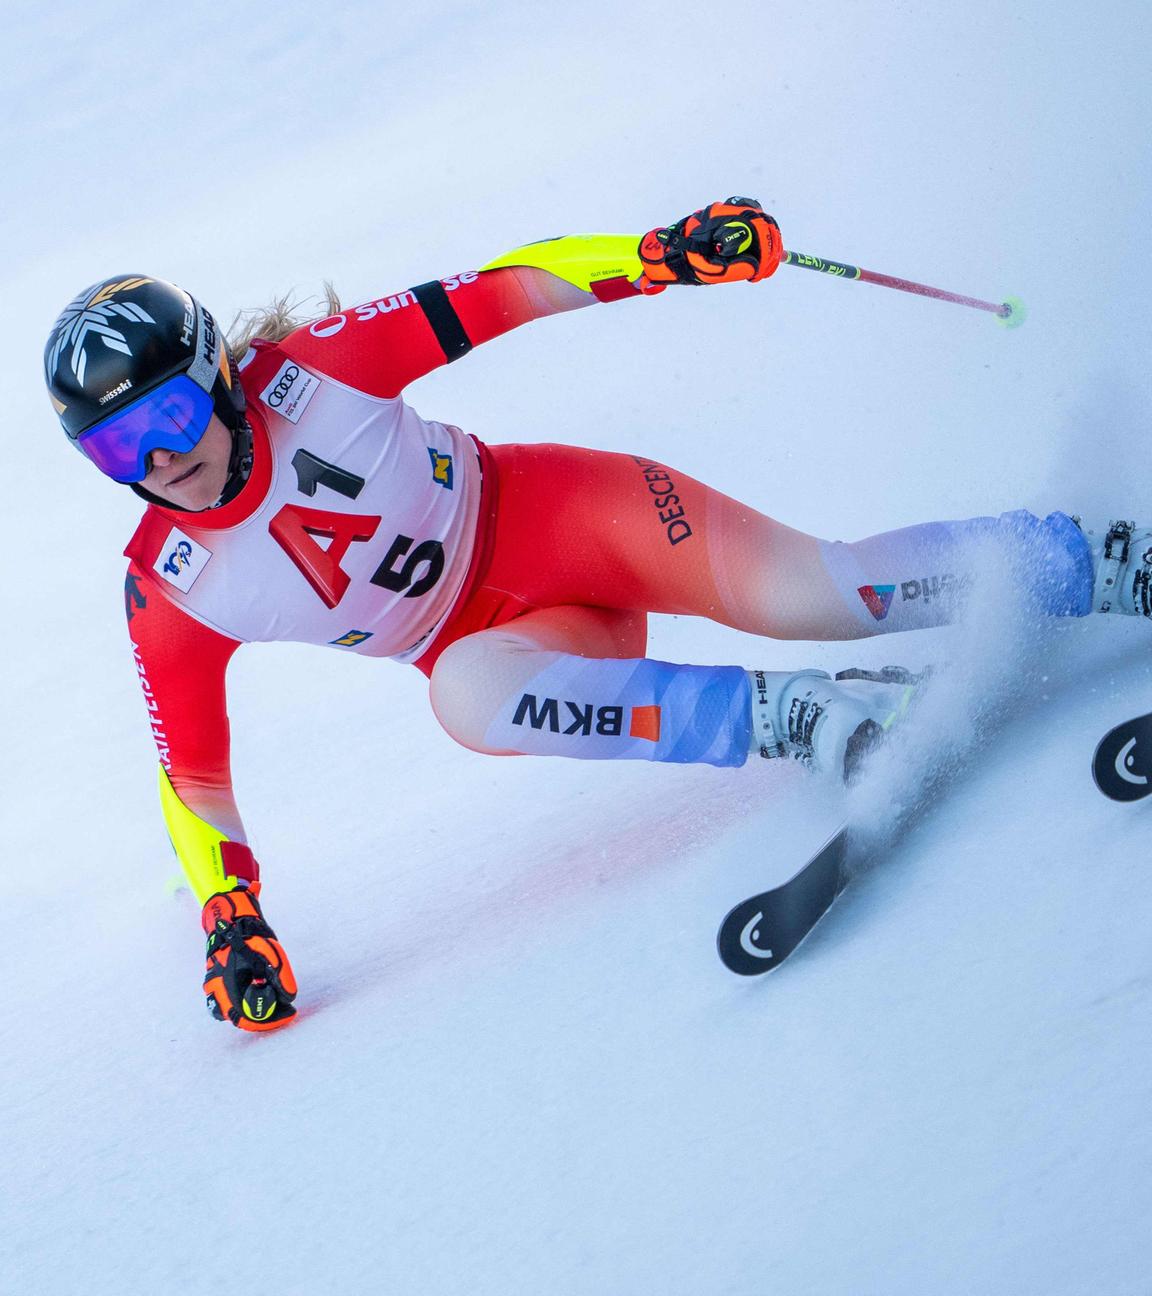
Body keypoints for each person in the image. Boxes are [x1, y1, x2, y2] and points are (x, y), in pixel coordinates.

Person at [44, 198, 1150, 1033]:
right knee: (465, 697)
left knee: (822, 592)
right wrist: (227, 912)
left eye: (174, 414)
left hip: (572, 516)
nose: (164, 461)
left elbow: (509, 288)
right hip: (524, 644)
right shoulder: (169, 583)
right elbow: (190, 774)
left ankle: (1090, 560)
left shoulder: (316, 374)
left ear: (220, 378)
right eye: (114, 451)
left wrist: (662, 258)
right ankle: (806, 718)